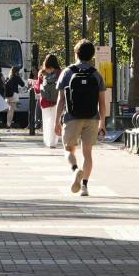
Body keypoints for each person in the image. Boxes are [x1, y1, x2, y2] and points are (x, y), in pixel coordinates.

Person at [56, 40, 108, 195]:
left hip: (72, 117)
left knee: (68, 150)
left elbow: (61, 100)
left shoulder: (67, 72)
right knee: (87, 153)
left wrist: (57, 120)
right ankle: (84, 186)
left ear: (76, 53)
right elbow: (102, 103)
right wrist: (102, 123)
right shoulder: (96, 74)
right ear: (92, 56)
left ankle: (75, 170)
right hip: (92, 117)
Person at [37, 52, 64, 149]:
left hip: (45, 101)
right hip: (57, 100)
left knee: (47, 121)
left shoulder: (42, 72)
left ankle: (48, 141)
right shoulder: (60, 72)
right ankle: (53, 142)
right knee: (55, 121)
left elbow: (37, 88)